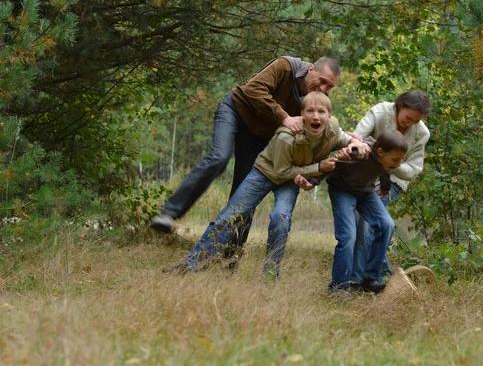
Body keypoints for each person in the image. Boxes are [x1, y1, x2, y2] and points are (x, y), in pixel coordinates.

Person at [151, 56, 342, 258]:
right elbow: (253, 89)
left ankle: (230, 256)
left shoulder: (313, 101)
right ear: (311, 69)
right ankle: (169, 213)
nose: (323, 88)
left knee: (243, 194)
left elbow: (321, 134)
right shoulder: (285, 66)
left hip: (259, 135)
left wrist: (347, 139)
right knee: (219, 157)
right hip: (235, 111)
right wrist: (284, 117)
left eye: (329, 86)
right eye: (322, 81)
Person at [166, 92, 370, 276]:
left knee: (281, 218)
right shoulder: (286, 136)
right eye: (310, 111)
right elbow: (282, 172)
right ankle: (191, 265)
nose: (316, 116)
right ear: (302, 114)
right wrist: (319, 168)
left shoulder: (332, 128)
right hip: (266, 172)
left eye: (321, 112)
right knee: (231, 215)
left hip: (291, 178)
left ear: (330, 115)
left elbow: (344, 139)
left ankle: (270, 274)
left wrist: (357, 143)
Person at [297, 130, 408, 295]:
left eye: (400, 160)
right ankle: (338, 287)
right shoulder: (359, 153)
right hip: (342, 191)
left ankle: (370, 279)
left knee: (386, 225)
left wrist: (385, 186)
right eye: (395, 159)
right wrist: (312, 182)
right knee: (348, 236)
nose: (398, 164)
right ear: (380, 152)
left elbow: (384, 170)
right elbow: (332, 164)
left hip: (365, 192)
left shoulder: (386, 159)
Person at [350, 90, 432, 284]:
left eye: (416, 121)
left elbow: (414, 169)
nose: (410, 123)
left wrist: (392, 165)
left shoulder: (422, 133)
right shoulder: (379, 112)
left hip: (394, 182)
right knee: (358, 220)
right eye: (408, 117)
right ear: (400, 105)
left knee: (369, 221)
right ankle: (379, 273)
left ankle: (364, 277)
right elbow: (355, 139)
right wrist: (377, 160)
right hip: (364, 176)